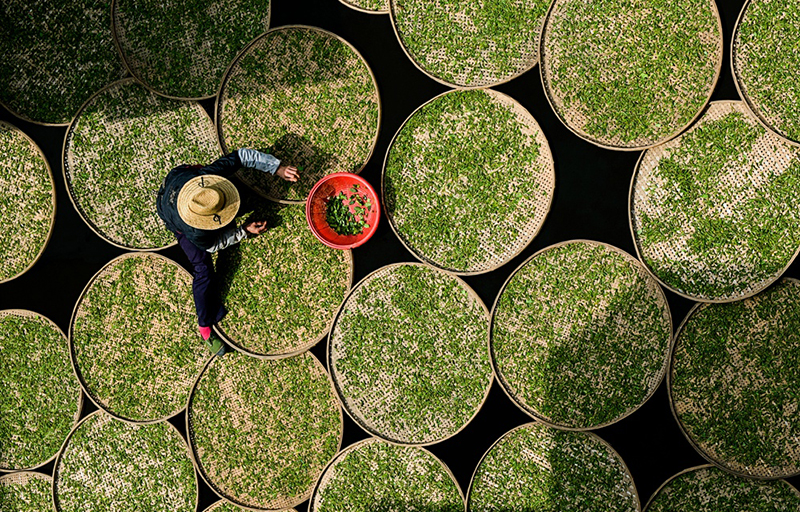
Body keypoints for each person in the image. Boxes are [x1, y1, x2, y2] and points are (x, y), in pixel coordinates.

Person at [156, 148, 299, 355]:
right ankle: (204, 326)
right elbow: (214, 244)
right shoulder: (195, 230)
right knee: (203, 269)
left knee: (242, 198)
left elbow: (242, 156)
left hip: (180, 178)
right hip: (172, 216)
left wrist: (277, 168)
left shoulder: (206, 180)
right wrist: (243, 231)